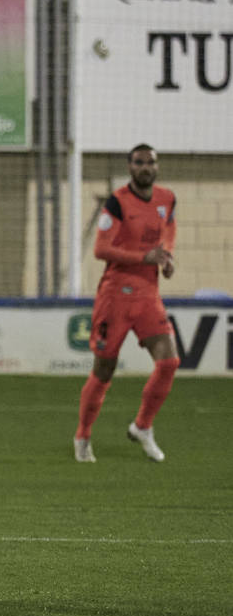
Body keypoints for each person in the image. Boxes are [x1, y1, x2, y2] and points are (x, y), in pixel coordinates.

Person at [74, 143, 177, 464]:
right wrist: (142, 256)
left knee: (169, 362)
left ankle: (142, 426)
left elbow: (168, 230)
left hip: (148, 294)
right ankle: (83, 435)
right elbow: (101, 249)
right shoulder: (117, 203)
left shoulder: (167, 198)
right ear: (129, 167)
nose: (145, 167)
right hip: (115, 295)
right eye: (139, 162)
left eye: (150, 162)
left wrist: (166, 256)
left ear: (156, 167)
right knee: (104, 369)